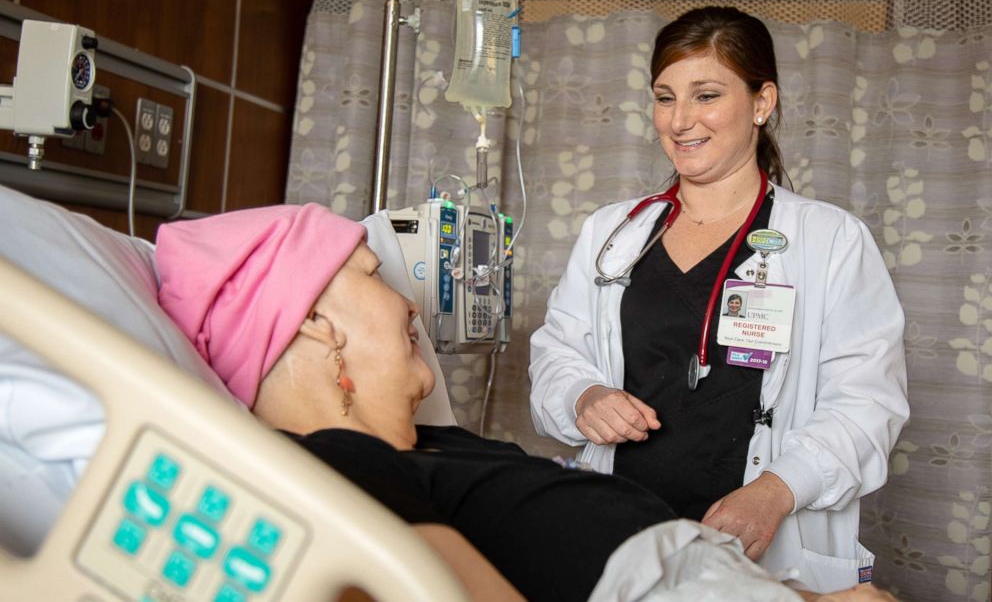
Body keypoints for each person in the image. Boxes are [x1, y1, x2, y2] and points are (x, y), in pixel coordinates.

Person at [154, 204, 898, 602]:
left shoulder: (425, 447)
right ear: (315, 322)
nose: (407, 300)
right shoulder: (333, 466)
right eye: (377, 275)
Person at [529, 6, 909, 593]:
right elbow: (556, 353)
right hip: (622, 530)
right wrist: (584, 395)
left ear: (762, 103)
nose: (680, 121)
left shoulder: (829, 239)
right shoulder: (613, 232)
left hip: (756, 539)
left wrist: (776, 490)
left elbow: (867, 404)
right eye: (664, 97)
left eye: (706, 95)